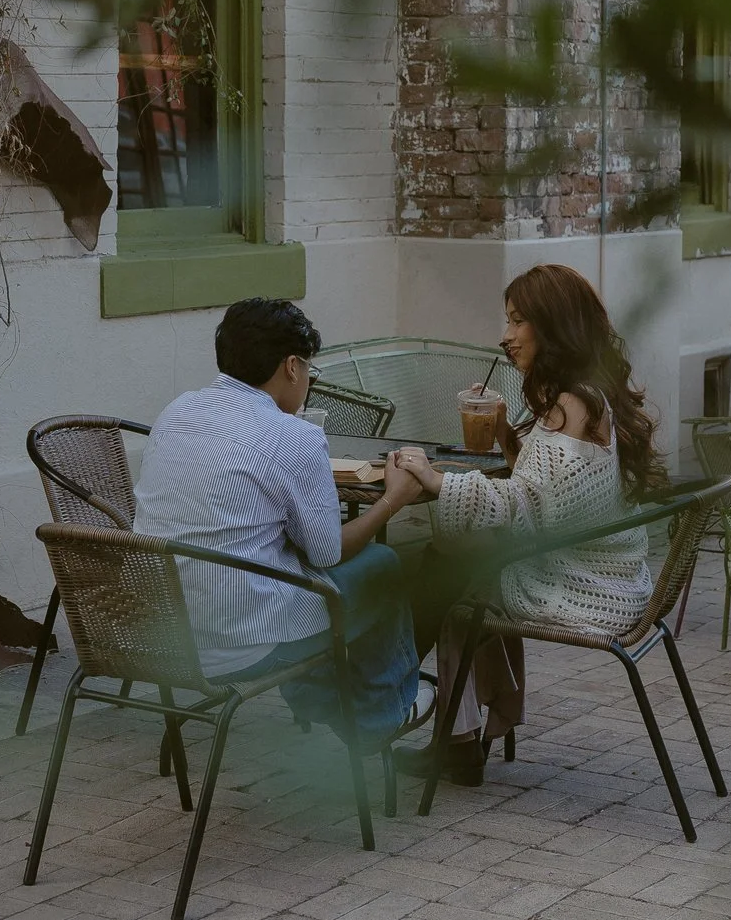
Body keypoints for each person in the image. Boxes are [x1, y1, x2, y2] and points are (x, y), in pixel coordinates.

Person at [387, 262, 666, 784]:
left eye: (518, 322)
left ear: (553, 325)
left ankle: (388, 694)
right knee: (456, 573)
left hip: (584, 585)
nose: (506, 336)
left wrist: (435, 482)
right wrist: (504, 435)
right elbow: (555, 494)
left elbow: (526, 507)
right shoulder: (588, 392)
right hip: (615, 574)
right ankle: (451, 734)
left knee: (446, 572)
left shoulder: (569, 402)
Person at [134, 297, 425, 744]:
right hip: (241, 644)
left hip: (166, 635)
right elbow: (328, 553)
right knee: (381, 564)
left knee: (289, 567)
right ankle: (379, 717)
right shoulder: (294, 435)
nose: (308, 380)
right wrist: (393, 499)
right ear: (291, 366)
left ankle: (325, 700)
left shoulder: (177, 412)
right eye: (309, 369)